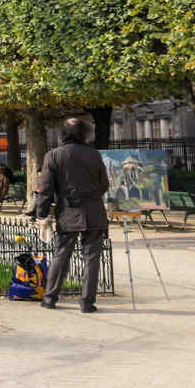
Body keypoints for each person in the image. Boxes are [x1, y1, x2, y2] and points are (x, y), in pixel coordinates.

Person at [32, 116, 110, 313]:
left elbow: (46, 189)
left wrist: (41, 214)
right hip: (94, 211)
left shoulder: (54, 155)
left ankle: (50, 298)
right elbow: (104, 185)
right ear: (84, 133)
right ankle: (87, 303)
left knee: (61, 255)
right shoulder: (94, 155)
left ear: (63, 134)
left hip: (68, 212)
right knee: (92, 258)